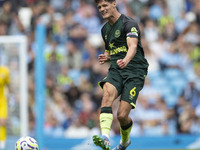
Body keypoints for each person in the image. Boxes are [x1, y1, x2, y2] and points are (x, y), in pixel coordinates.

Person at [92, 0, 149, 150]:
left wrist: (126, 60)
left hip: (135, 71)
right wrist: (107, 57)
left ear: (114, 4)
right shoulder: (104, 30)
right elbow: (112, 50)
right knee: (107, 94)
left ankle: (124, 142)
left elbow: (133, 46)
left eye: (105, 5)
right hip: (117, 69)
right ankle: (105, 137)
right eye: (99, 7)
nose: (102, 9)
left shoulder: (129, 23)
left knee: (122, 115)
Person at [0, 66, 10, 150]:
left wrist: (10, 96)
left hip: (2, 101)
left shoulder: (4, 71)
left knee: (2, 122)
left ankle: (2, 143)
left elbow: (8, 85)